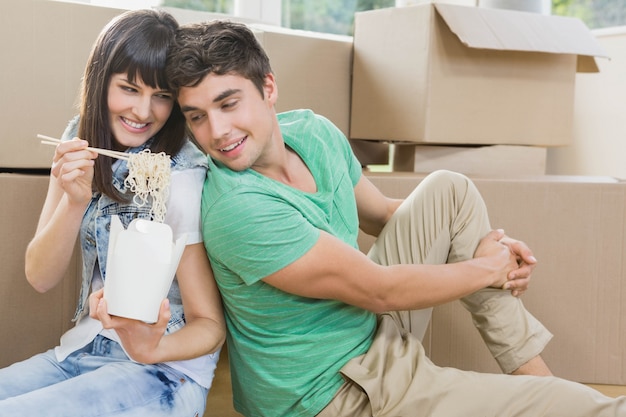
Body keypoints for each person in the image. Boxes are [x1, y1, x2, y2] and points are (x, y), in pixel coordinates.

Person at [166, 20, 626, 417]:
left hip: (369, 332)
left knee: (450, 188)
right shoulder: (236, 208)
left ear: (268, 87)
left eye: (228, 104)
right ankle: (555, 397)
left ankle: (539, 382)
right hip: (334, 393)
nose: (217, 132)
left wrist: (490, 250)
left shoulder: (313, 131)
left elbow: (383, 214)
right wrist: (487, 269)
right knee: (599, 409)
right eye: (197, 117)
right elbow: (379, 290)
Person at [0, 9, 225, 417]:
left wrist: (150, 347)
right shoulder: (77, 140)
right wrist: (73, 200)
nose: (143, 112)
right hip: (83, 349)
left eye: (161, 96)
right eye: (129, 89)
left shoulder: (181, 174)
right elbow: (40, 276)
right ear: (101, 81)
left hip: (163, 373)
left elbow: (209, 324)